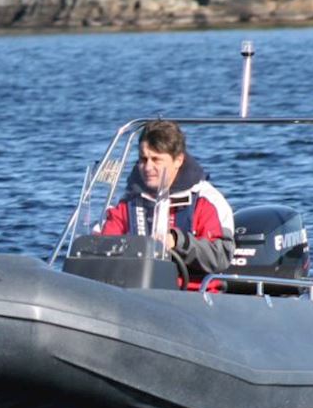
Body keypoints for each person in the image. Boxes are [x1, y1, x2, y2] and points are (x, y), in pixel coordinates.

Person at [98, 119, 235, 287]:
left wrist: (178, 242)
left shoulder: (207, 200)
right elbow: (103, 245)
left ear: (178, 160)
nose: (147, 167)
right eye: (143, 159)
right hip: (138, 294)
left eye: (156, 160)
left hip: (193, 297)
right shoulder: (128, 203)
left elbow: (220, 256)